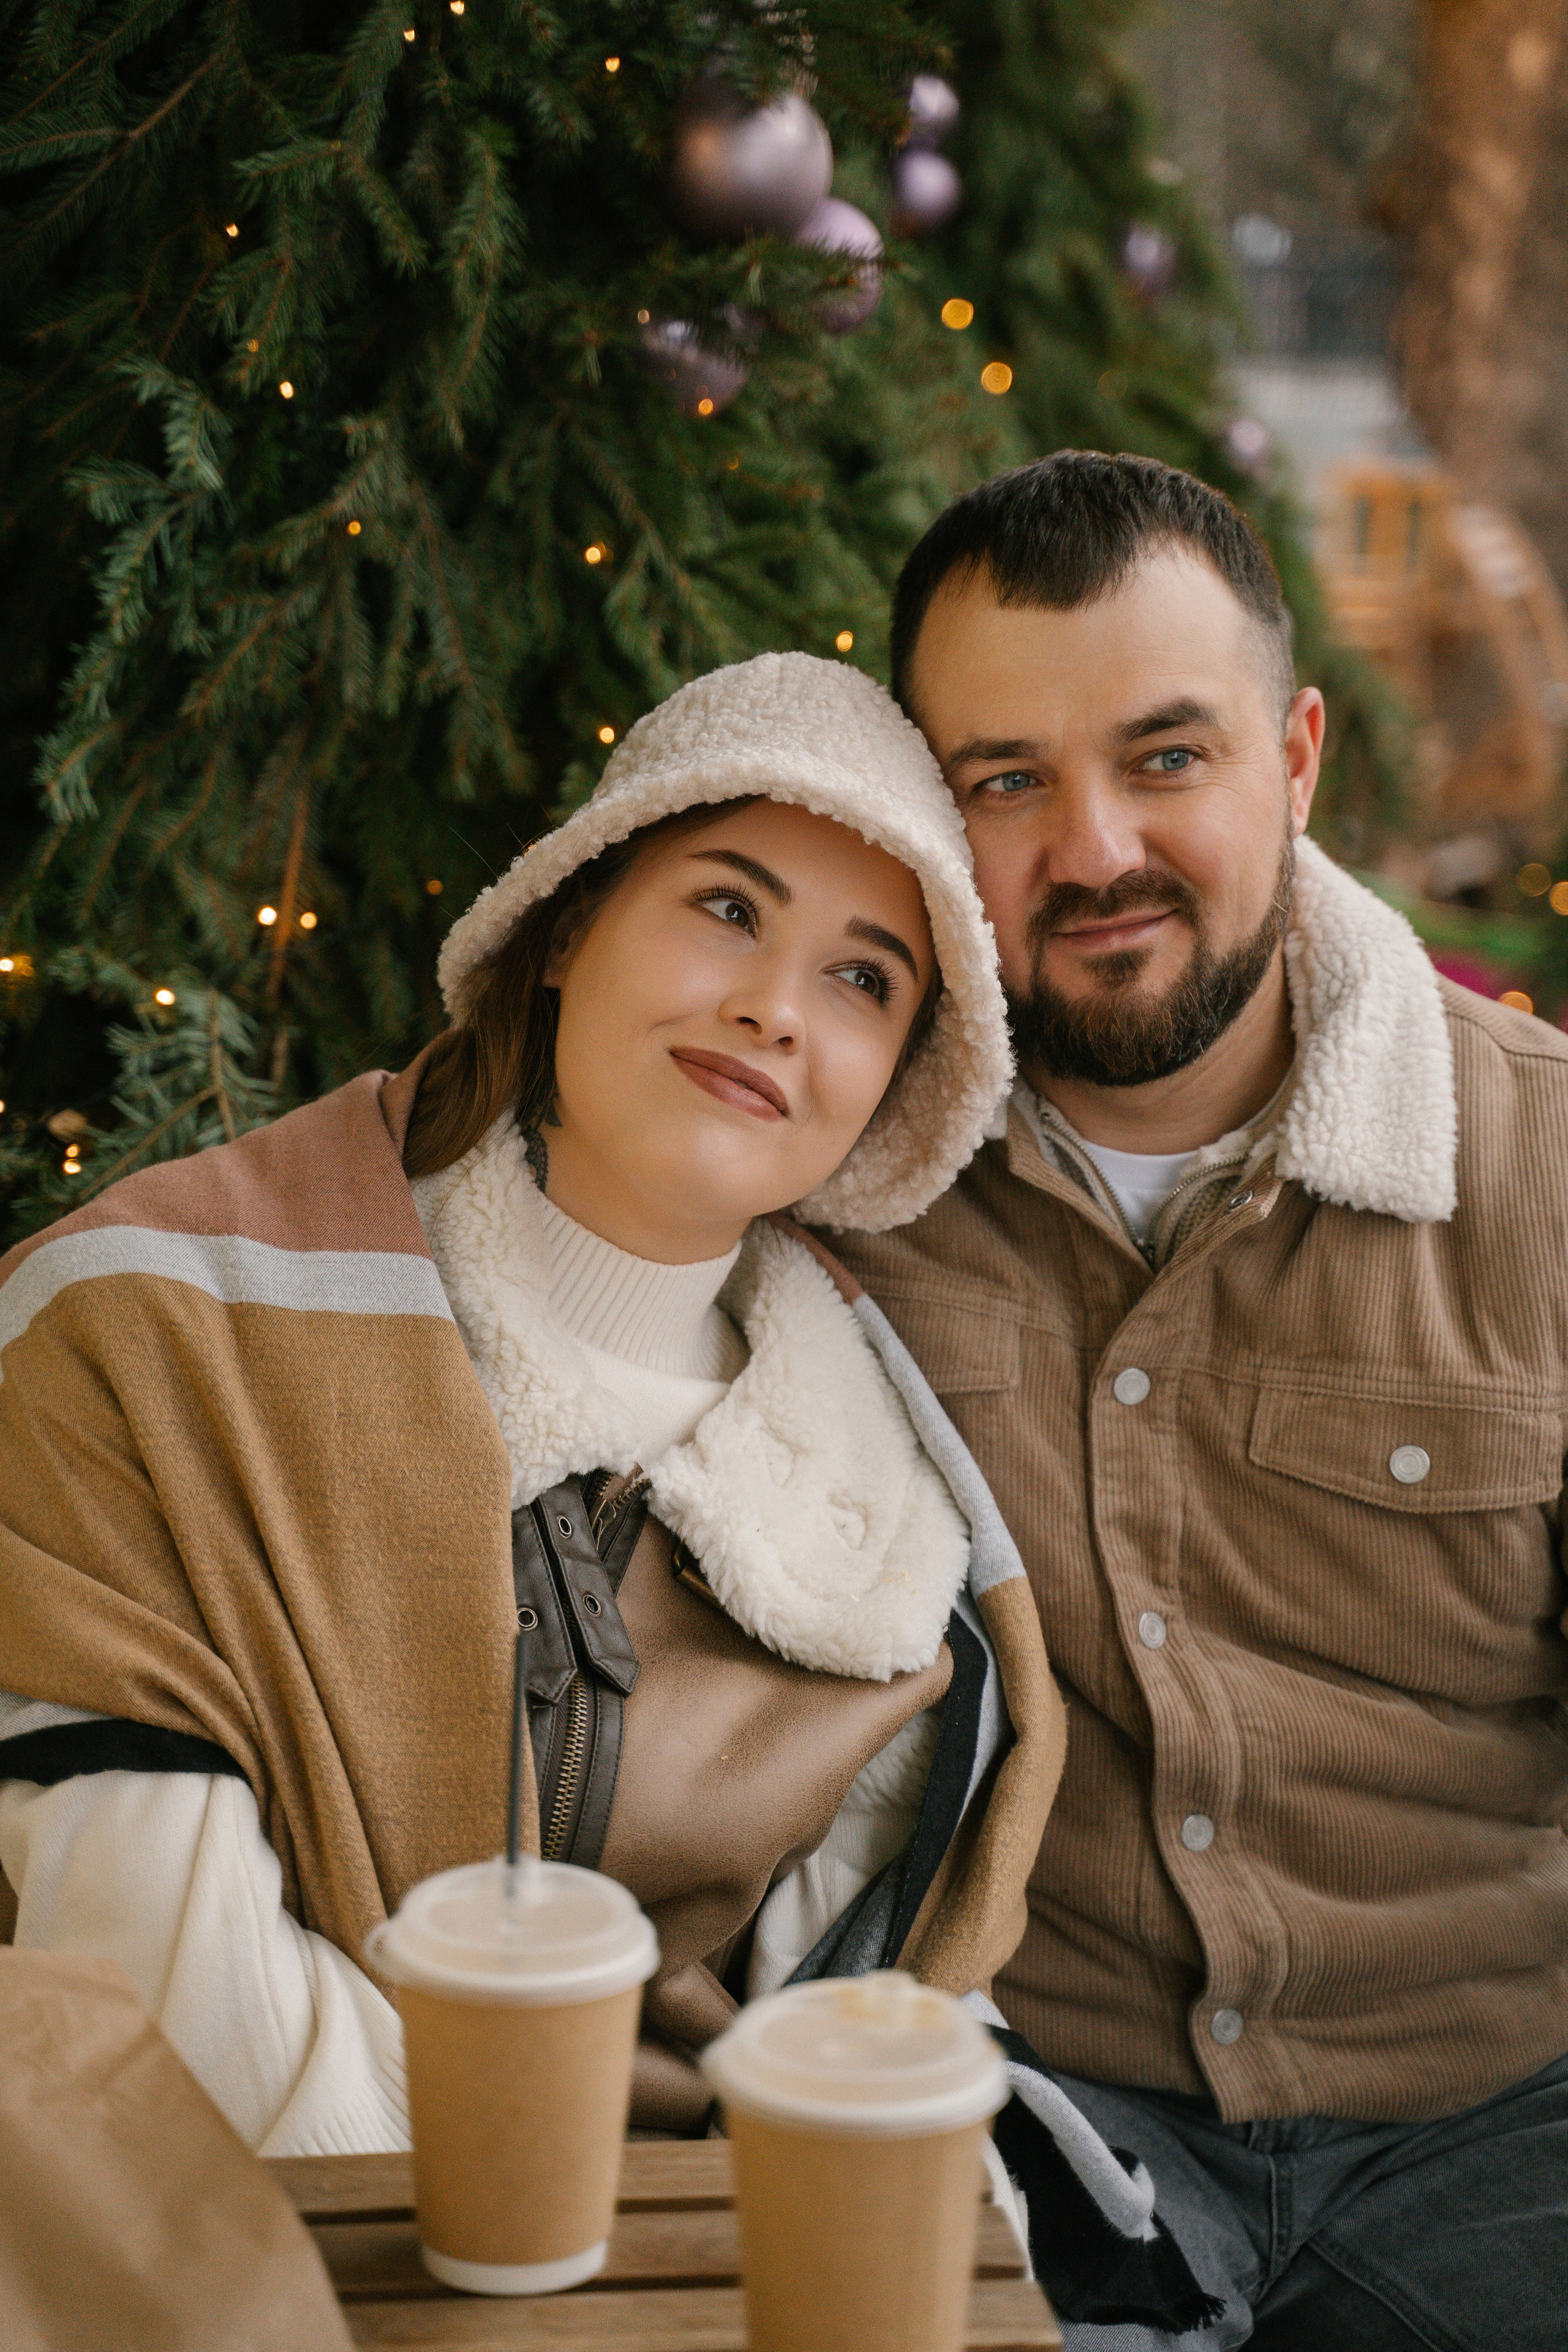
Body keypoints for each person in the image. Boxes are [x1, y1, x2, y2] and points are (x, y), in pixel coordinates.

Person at [0, 654, 1084, 2188]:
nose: (773, 1009)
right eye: (726, 906)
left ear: (893, 1085)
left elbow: (854, 2049)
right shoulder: (148, 1332)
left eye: (863, 980)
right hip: (221, 2226)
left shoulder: (890, 1563)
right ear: (568, 922)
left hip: (691, 2249)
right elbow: (164, 1984)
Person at [832, 452, 1568, 2351]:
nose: (1093, 852)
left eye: (1167, 757)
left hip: (1505, 2133)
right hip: (1033, 2105)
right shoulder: (835, 1160)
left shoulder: (1547, 1173)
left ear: (1298, 760)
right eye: (1006, 780)